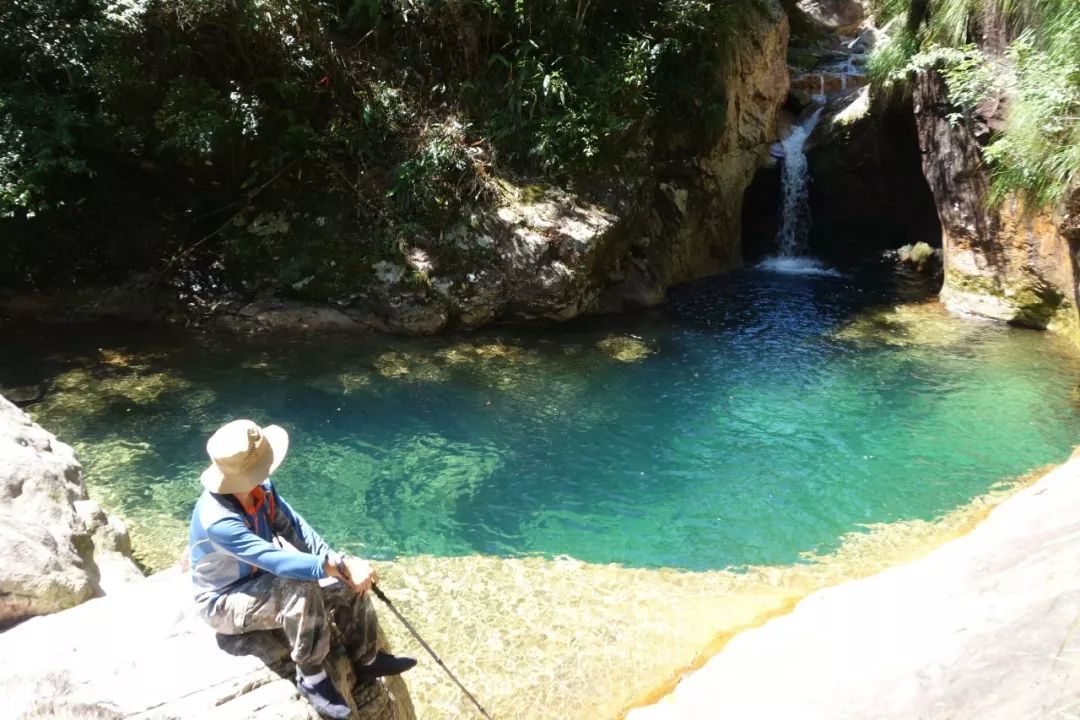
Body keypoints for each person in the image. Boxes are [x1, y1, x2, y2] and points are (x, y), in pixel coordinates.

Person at [188, 419, 415, 720]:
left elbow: (297, 530)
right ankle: (312, 677)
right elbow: (274, 559)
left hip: (262, 583)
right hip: (223, 602)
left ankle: (366, 658)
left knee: (342, 581)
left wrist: (340, 564)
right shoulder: (218, 520)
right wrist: (335, 566)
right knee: (300, 584)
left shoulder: (262, 491)